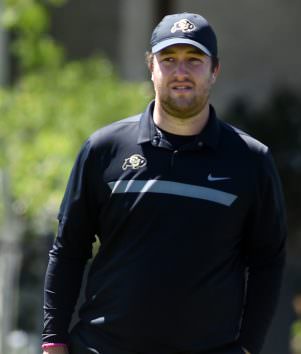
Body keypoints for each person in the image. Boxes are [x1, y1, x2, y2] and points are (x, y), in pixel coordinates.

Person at [41, 12, 287, 354]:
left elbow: (268, 262)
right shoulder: (104, 149)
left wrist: (247, 347)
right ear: (151, 67)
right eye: (168, 60)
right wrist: (53, 340)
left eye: (194, 60)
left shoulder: (251, 160)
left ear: (215, 69)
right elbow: (68, 250)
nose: (181, 72)